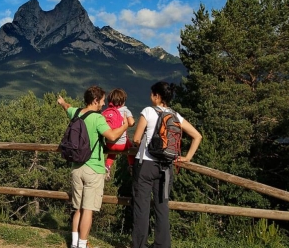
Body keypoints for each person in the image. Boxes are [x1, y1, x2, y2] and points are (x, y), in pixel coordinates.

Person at [131, 82, 202, 248]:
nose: (150, 97)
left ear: (157, 96)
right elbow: (197, 136)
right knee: (162, 207)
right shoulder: (176, 116)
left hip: (145, 165)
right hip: (166, 167)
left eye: (151, 94)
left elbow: (136, 138)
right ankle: (162, 245)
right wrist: (187, 157)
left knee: (141, 206)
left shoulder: (148, 111)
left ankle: (140, 245)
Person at [57, 86, 129, 248]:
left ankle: (75, 243)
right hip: (94, 168)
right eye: (102, 101)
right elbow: (111, 135)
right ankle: (82, 245)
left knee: (78, 208)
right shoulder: (97, 119)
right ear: (95, 100)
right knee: (88, 209)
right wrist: (125, 126)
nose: (103, 104)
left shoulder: (76, 113)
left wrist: (62, 102)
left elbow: (68, 108)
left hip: (76, 167)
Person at [102, 88, 136, 180]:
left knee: (112, 154)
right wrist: (126, 124)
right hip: (122, 145)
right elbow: (132, 123)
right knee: (131, 148)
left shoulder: (107, 112)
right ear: (123, 101)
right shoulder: (125, 110)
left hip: (109, 144)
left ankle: (107, 166)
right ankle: (132, 166)